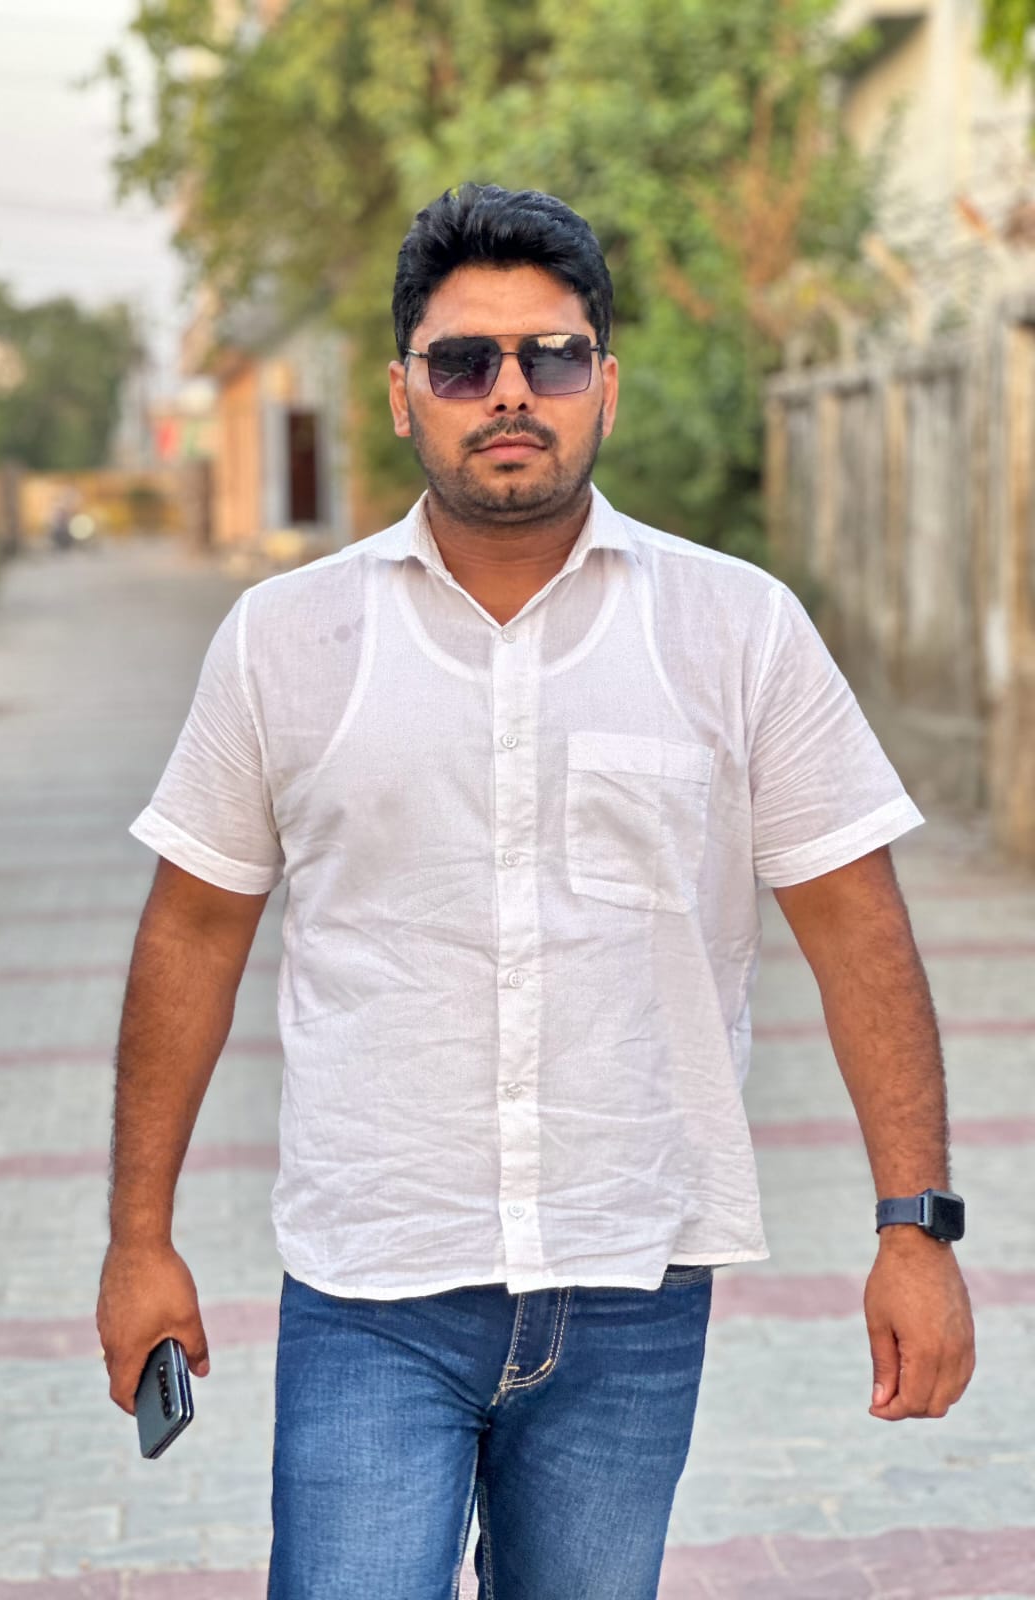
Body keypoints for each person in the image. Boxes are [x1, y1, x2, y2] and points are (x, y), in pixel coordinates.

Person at [97, 183, 975, 1599]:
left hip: (635, 1280)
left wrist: (914, 1228)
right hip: (374, 1285)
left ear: (604, 387)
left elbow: (858, 928)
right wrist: (137, 1239)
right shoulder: (283, 640)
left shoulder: (737, 629)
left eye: (551, 357)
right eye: (464, 361)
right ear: (402, 395)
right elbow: (192, 934)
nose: (510, 391)